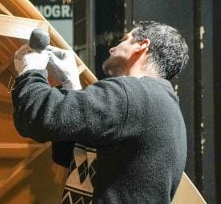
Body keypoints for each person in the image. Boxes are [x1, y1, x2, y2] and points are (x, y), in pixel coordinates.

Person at [12, 21, 189, 203]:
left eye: (124, 40)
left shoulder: (131, 94)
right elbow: (74, 156)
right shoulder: (161, 104)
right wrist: (71, 84)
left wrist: (30, 69)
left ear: (142, 45)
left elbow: (35, 117)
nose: (112, 48)